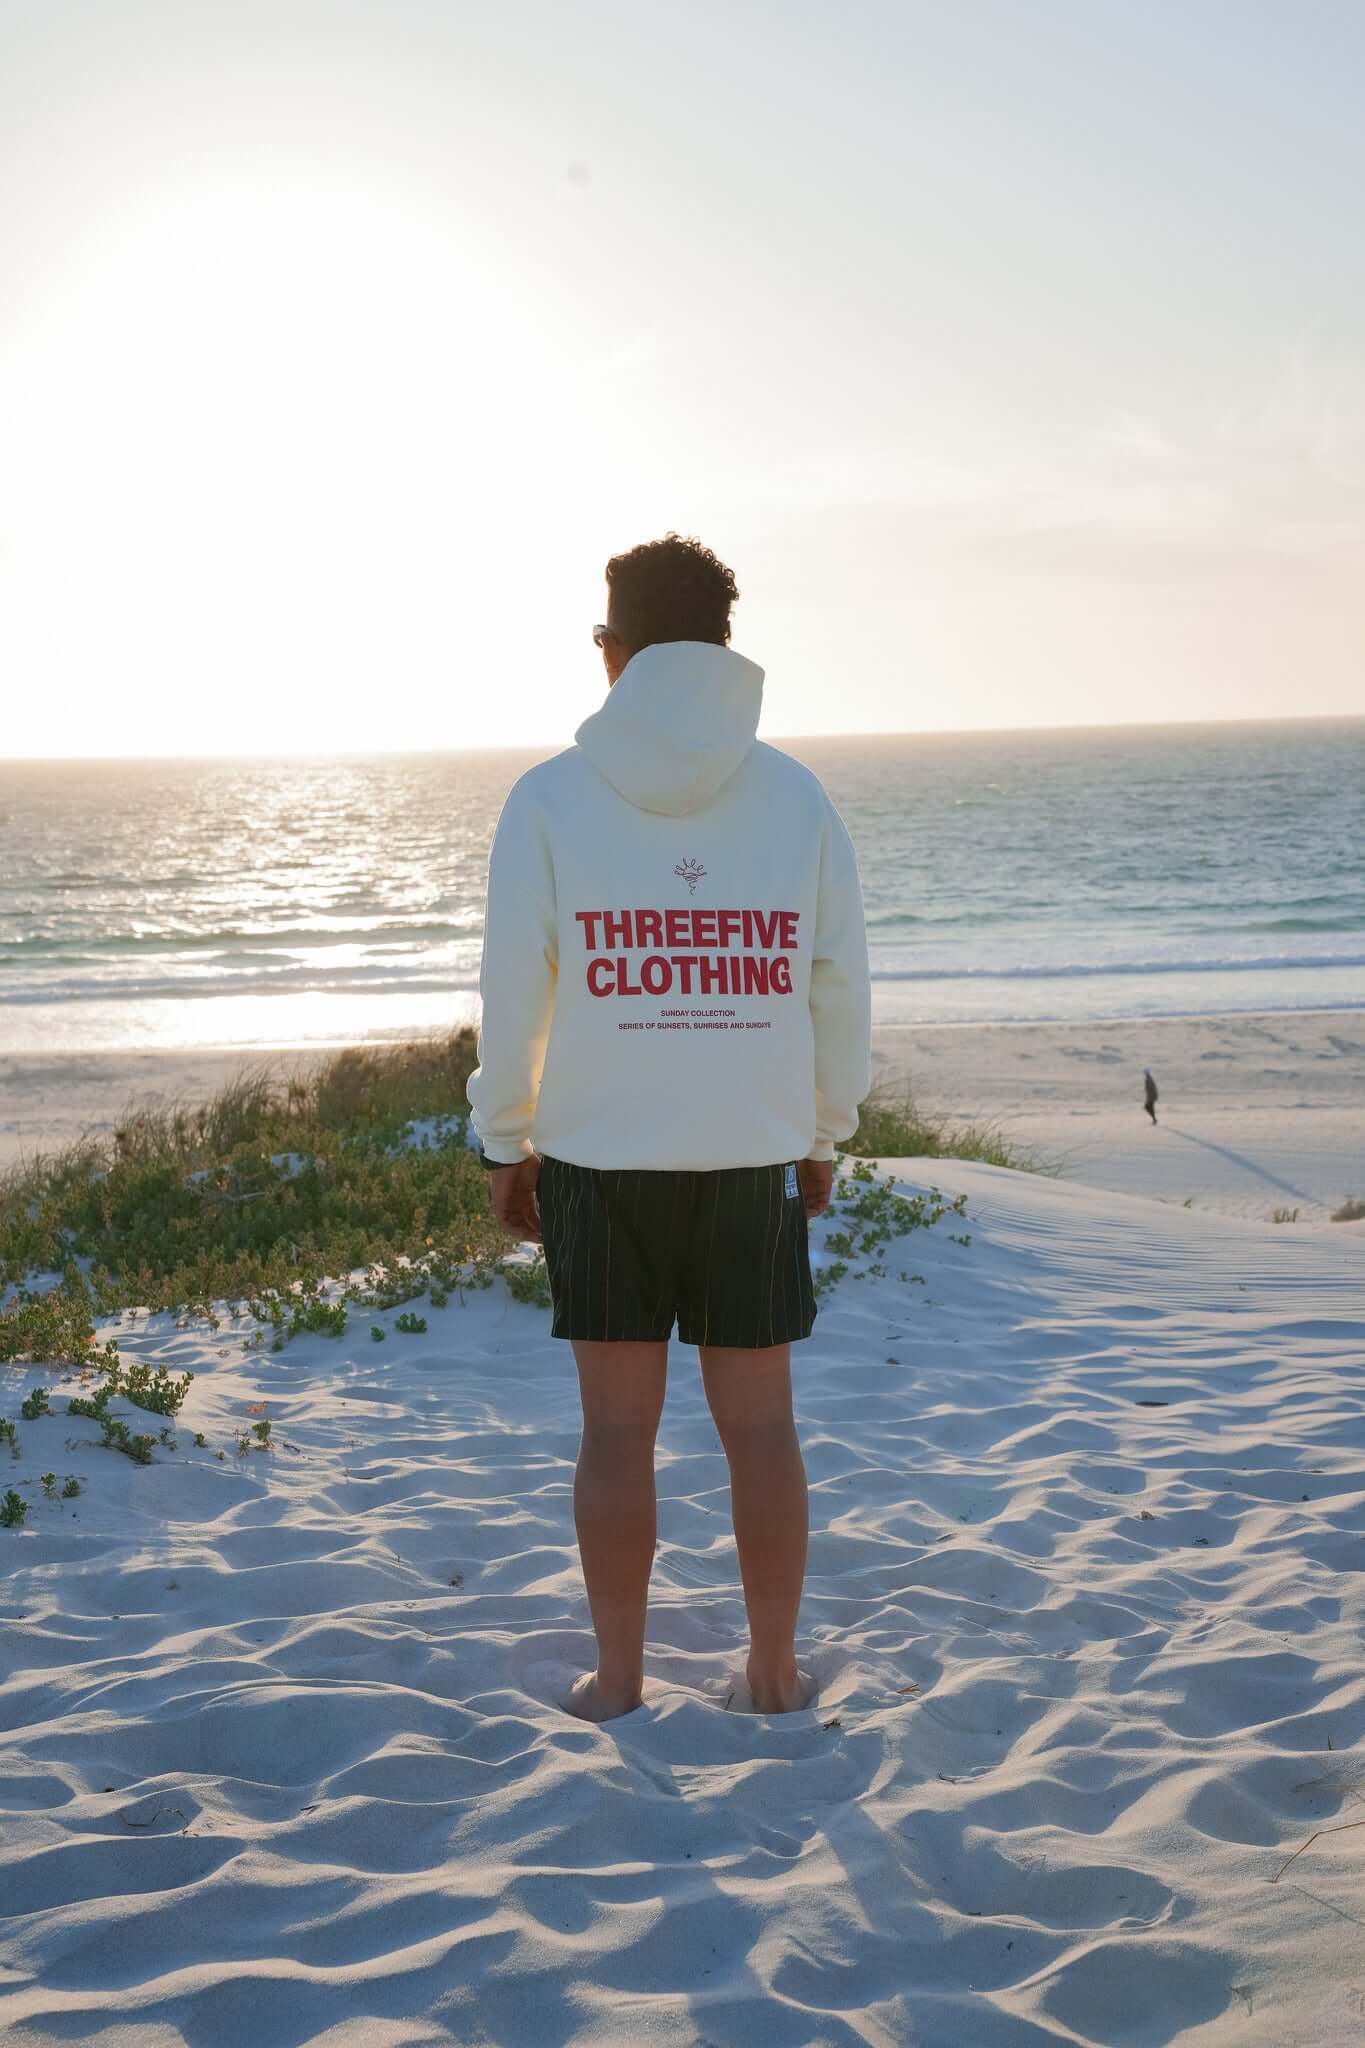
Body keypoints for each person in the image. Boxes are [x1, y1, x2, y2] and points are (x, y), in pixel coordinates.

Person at [466, 532, 872, 1724]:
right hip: (750, 1149)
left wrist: (506, 1137)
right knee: (762, 1430)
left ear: (614, 654)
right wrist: (823, 1129)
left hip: (599, 1156)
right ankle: (775, 1672)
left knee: (614, 1432)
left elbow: (512, 989)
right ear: (725, 650)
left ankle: (624, 1678)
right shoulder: (795, 795)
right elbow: (836, 984)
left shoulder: (549, 796)